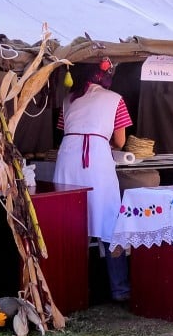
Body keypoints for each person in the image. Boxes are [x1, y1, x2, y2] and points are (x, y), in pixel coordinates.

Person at [53, 60, 133, 302]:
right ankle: (119, 289)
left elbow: (64, 129)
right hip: (96, 161)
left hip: (68, 160)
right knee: (109, 221)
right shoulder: (115, 99)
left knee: (72, 225)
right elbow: (120, 142)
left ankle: (73, 288)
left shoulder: (68, 99)